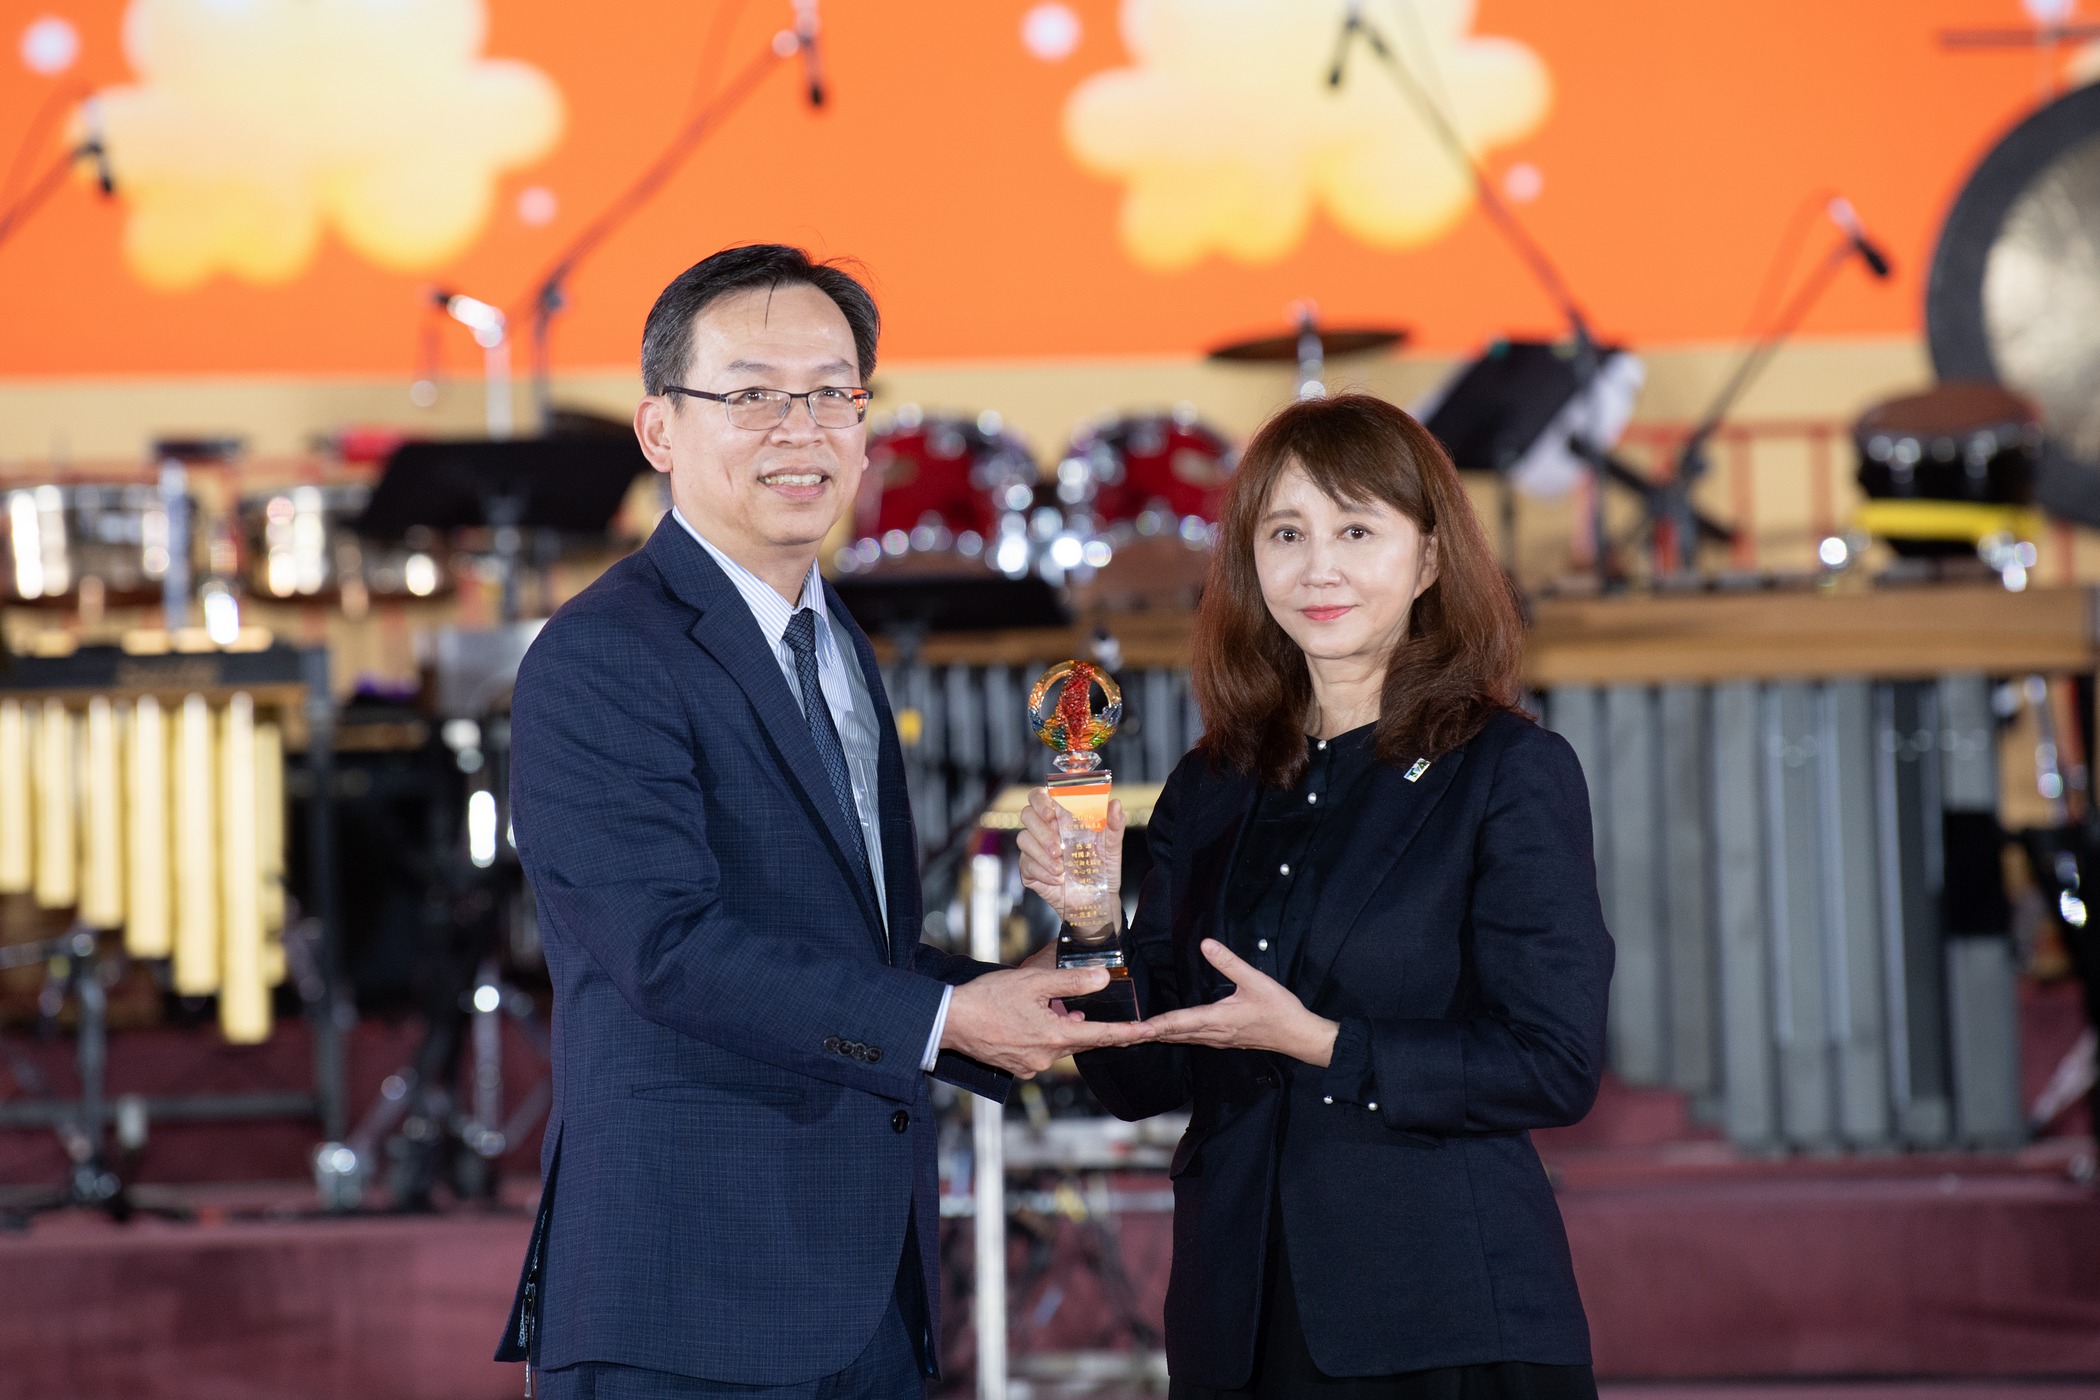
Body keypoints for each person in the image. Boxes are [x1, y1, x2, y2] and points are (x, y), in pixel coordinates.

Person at [496, 244, 1148, 1399]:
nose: (800, 430)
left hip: (864, 1293)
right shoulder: (602, 654)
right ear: (659, 429)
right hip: (686, 1295)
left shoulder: (834, 636)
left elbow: (841, 947)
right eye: (752, 394)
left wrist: (1011, 994)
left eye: (832, 394)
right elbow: (667, 948)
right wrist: (943, 1017)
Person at [1020, 393, 1614, 1398]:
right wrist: (1088, 918)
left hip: (1441, 1317)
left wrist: (1326, 1044)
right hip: (1237, 1321)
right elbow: (1140, 1079)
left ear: (1429, 558)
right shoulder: (1213, 784)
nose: (1318, 568)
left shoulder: (1506, 769)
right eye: (1286, 534)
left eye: (1356, 531)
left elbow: (1552, 1064)